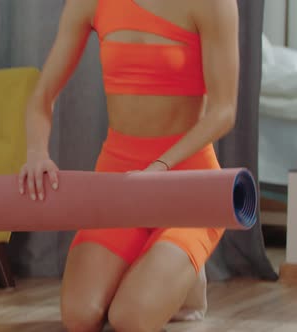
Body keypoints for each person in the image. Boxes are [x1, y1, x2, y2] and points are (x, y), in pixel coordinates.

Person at [17, 0, 239, 331]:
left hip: (189, 185)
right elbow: (42, 95)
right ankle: (153, 267)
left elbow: (224, 111)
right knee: (80, 316)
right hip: (120, 184)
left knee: (130, 319)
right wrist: (36, 151)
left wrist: (161, 166)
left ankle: (181, 279)